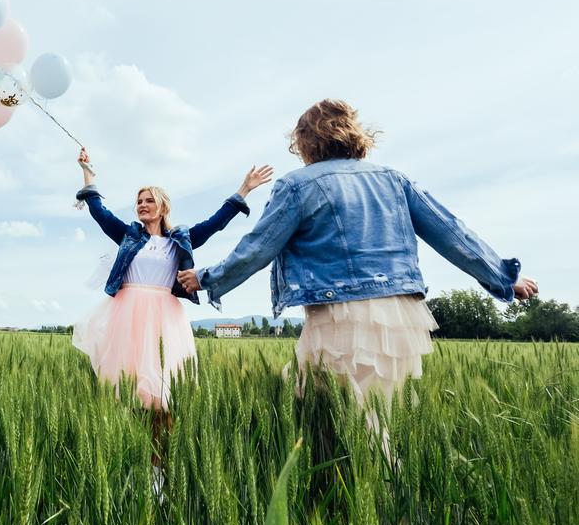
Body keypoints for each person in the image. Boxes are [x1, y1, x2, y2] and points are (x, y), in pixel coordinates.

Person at [177, 99, 538, 410]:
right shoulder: (394, 179)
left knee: (330, 417)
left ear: (305, 141)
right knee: (367, 414)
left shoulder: (298, 185)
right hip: (401, 315)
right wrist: (504, 278)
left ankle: (346, 473)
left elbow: (259, 247)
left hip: (341, 312)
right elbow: (451, 232)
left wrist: (206, 278)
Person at [72, 147, 273, 411]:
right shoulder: (128, 235)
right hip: (127, 313)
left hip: (164, 315)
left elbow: (215, 223)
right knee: (126, 380)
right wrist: (87, 172)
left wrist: (244, 189)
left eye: (149, 201)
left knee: (161, 379)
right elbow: (100, 212)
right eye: (139, 201)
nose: (142, 205)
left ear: (162, 207)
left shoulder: (180, 240)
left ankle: (160, 431)